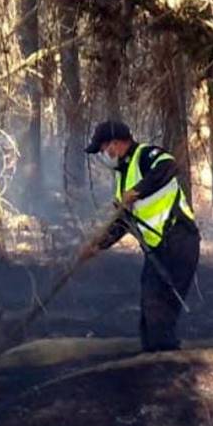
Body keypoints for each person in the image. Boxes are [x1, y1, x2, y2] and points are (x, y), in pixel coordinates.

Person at [79, 120, 200, 352]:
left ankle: (166, 366)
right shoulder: (122, 176)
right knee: (149, 309)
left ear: (116, 143)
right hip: (157, 249)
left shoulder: (145, 155)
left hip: (179, 240)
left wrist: (138, 191)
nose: (104, 154)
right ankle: (155, 356)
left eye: (104, 148)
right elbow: (124, 221)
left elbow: (169, 166)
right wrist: (98, 246)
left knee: (159, 308)